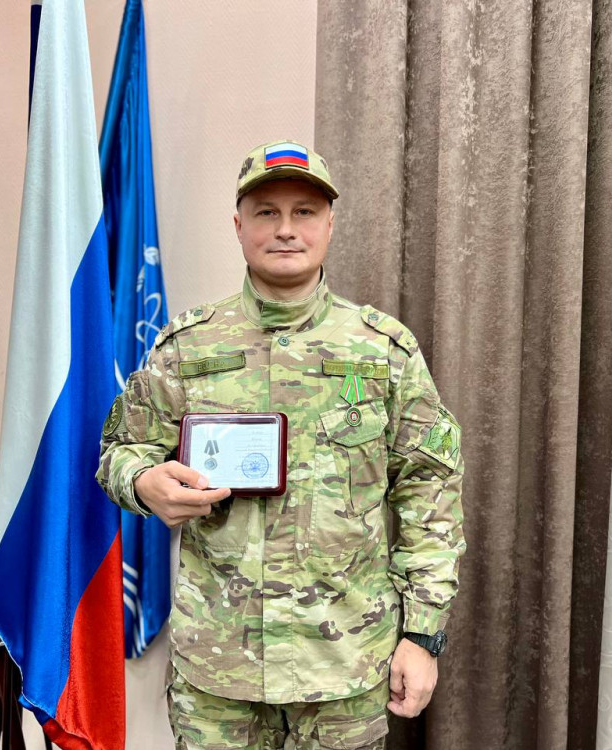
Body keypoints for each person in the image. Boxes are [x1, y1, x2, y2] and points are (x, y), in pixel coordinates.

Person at [97, 140, 466, 749]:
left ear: (330, 224)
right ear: (238, 226)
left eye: (304, 212)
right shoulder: (187, 347)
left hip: (345, 668)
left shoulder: (383, 350)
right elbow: (119, 449)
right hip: (219, 672)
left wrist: (422, 636)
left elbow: (431, 493)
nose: (286, 229)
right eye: (266, 212)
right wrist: (143, 482)